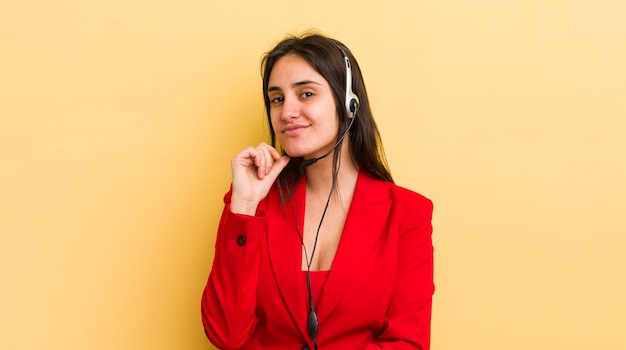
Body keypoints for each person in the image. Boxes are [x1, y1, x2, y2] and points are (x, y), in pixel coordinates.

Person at [201, 32, 434, 350]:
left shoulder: (407, 214)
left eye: (306, 94)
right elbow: (226, 335)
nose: (287, 113)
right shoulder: (252, 206)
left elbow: (407, 342)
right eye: (277, 99)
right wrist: (244, 205)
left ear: (349, 102)